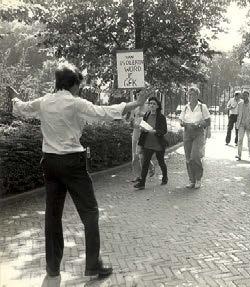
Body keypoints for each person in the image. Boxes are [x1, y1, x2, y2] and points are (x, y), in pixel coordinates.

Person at [6, 62, 147, 279]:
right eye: (78, 85)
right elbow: (104, 112)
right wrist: (136, 103)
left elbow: (22, 107)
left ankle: (52, 268)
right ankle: (92, 265)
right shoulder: (74, 103)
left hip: (50, 162)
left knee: (52, 216)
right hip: (73, 162)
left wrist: (14, 97)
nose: (79, 89)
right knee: (90, 213)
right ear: (73, 84)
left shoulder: (44, 102)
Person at [133, 96, 168, 190]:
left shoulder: (161, 117)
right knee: (145, 163)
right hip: (147, 143)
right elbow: (143, 126)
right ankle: (142, 183)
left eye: (153, 104)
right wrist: (142, 128)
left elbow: (164, 130)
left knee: (161, 162)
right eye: (150, 103)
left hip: (158, 144)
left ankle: (165, 177)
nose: (151, 105)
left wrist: (155, 131)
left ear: (157, 106)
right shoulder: (147, 115)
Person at [179, 86, 211, 189]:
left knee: (195, 156)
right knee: (188, 158)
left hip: (198, 133)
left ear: (197, 95)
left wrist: (199, 124)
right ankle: (191, 180)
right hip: (187, 133)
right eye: (188, 94)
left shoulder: (202, 107)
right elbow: (180, 120)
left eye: (192, 94)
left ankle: (198, 179)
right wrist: (183, 123)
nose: (189, 96)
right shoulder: (185, 107)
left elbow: (208, 121)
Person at [127, 98, 155, 183]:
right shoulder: (134, 107)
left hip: (146, 134)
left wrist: (143, 114)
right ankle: (138, 176)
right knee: (135, 156)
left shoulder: (149, 105)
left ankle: (151, 167)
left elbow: (153, 118)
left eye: (141, 94)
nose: (140, 96)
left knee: (143, 156)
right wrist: (131, 122)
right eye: (138, 95)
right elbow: (131, 121)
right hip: (136, 132)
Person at [235, 90, 250, 160]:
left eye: (246, 95)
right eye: (243, 95)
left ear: (248, 95)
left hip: (249, 124)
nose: (244, 96)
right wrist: (237, 124)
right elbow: (238, 114)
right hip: (241, 124)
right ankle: (239, 155)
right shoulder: (240, 103)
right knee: (240, 139)